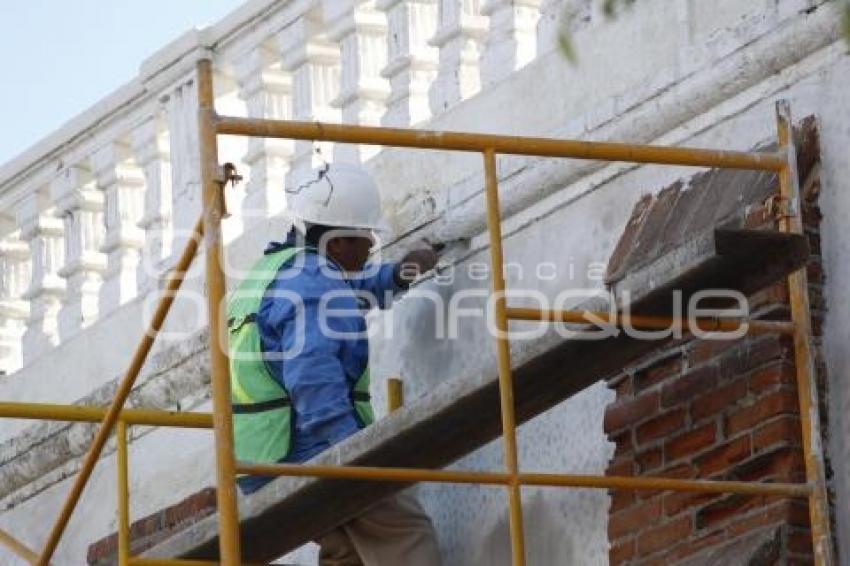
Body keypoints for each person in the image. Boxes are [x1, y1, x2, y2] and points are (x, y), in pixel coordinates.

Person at [227, 162, 441, 565]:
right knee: (407, 537)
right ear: (339, 243)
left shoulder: (279, 269)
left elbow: (345, 290)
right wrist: (349, 449)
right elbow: (310, 371)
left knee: (347, 550)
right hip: (312, 450)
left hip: (263, 461)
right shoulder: (316, 283)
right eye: (366, 238)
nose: (371, 247)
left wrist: (399, 274)